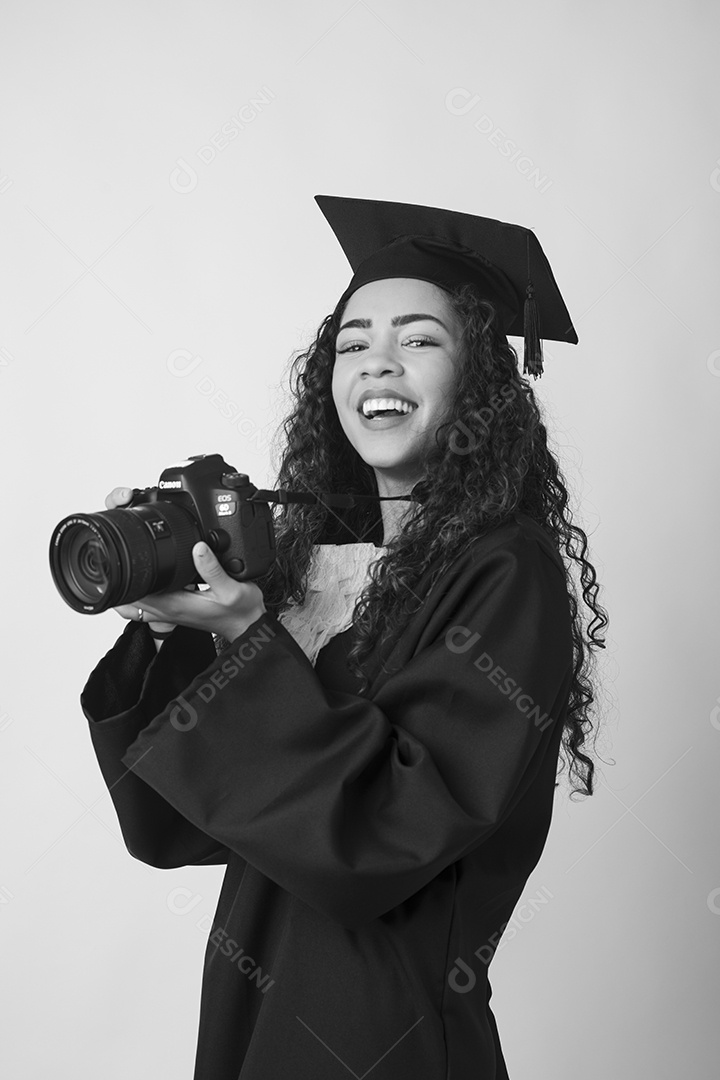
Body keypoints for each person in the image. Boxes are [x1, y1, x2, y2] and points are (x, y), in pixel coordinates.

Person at [80, 195, 608, 1079]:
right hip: (254, 1016)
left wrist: (250, 640)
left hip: (383, 1032)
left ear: (480, 379)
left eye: (420, 339)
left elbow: (388, 834)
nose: (378, 363)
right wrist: (172, 630)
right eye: (353, 343)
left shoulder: (507, 573)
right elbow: (180, 825)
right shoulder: (321, 570)